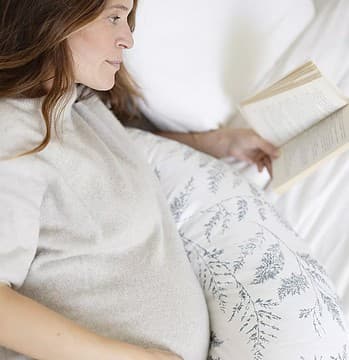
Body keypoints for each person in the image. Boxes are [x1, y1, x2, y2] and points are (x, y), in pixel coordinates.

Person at [0, 0, 296, 359]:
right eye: (113, 17)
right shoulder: (13, 133)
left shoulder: (78, 103)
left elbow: (114, 160)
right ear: (52, 15)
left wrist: (210, 143)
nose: (127, 39)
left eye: (127, 19)